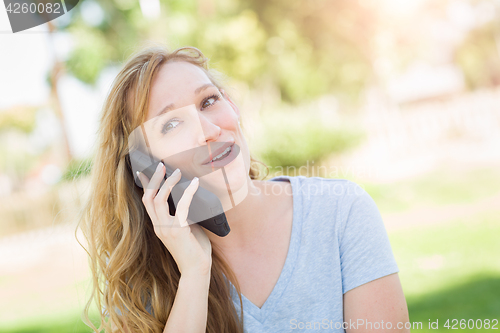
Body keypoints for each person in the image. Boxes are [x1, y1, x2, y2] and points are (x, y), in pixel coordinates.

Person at [78, 44, 410, 333]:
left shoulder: (340, 212)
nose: (208, 129)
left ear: (233, 109)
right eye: (172, 124)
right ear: (145, 170)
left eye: (208, 101)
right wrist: (195, 272)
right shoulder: (146, 284)